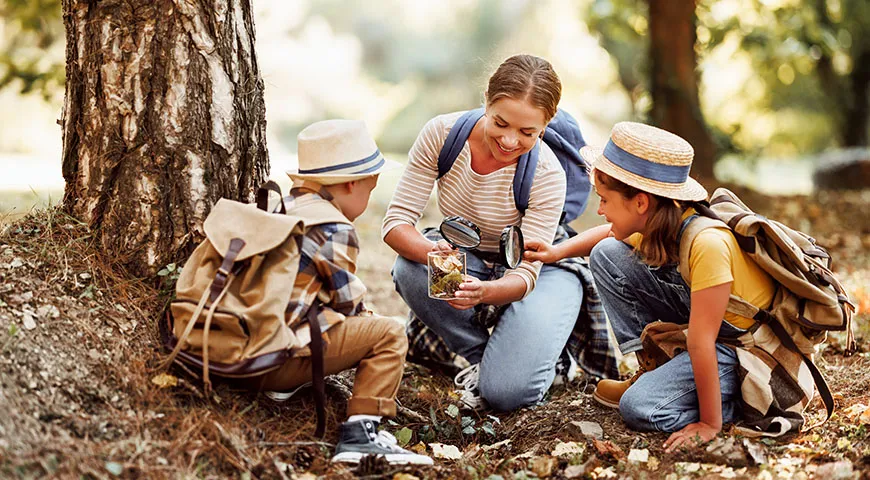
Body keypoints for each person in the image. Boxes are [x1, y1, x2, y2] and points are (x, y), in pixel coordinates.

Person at [383, 54, 617, 412]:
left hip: (541, 268)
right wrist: (436, 256)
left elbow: (525, 274)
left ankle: (534, 359)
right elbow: (396, 223)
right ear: (486, 102)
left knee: (509, 395)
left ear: (545, 125)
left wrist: (487, 293)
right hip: (471, 258)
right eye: (501, 123)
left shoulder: (546, 173)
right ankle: (483, 360)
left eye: (527, 132)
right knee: (410, 268)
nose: (509, 141)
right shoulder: (443, 135)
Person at [524, 121, 776, 451]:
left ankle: (735, 406)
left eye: (604, 200)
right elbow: (606, 236)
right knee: (607, 254)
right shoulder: (664, 217)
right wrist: (557, 251)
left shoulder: (707, 244)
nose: (599, 210)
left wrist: (709, 424)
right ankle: (654, 367)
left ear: (640, 202)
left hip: (741, 351)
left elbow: (703, 342)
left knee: (638, 408)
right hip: (709, 334)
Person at [260, 119, 432, 465]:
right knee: (389, 334)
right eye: (372, 187)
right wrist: (373, 321)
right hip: (274, 361)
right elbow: (349, 304)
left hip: (244, 351)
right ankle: (362, 434)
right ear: (353, 184)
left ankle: (284, 386)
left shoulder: (282, 207)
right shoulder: (332, 226)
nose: (369, 196)